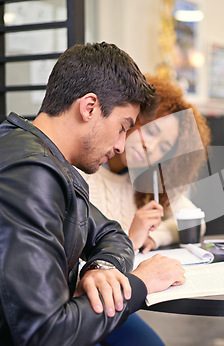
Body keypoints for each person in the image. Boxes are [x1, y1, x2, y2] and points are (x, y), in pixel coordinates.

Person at [0, 42, 186, 345]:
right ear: (89, 108)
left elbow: (111, 234)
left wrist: (100, 269)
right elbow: (45, 334)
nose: (121, 146)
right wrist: (140, 284)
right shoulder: (31, 175)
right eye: (123, 127)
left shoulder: (54, 165)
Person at [82, 74, 211, 254]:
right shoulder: (83, 172)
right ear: (134, 117)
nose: (150, 147)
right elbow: (82, 255)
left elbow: (195, 222)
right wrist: (131, 238)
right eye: (151, 130)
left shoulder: (147, 185)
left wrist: (154, 236)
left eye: (164, 146)